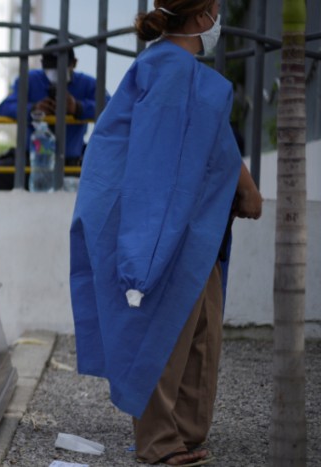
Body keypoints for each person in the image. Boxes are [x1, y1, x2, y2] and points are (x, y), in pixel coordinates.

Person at [69, 2, 263, 466]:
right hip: (167, 230)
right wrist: (146, 248)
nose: (219, 16)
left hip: (195, 228)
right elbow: (158, 168)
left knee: (201, 333)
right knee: (165, 333)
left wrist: (242, 188)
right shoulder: (172, 72)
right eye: (214, 8)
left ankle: (186, 434)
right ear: (201, 18)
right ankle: (159, 443)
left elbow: (212, 142)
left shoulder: (173, 69)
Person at [0, 38, 104, 166]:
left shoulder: (87, 84)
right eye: (50, 68)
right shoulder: (29, 80)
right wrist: (33, 109)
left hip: (70, 163)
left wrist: (78, 108)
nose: (55, 74)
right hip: (32, 161)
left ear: (74, 63)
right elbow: (5, 107)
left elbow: (110, 107)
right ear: (42, 64)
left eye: (60, 68)